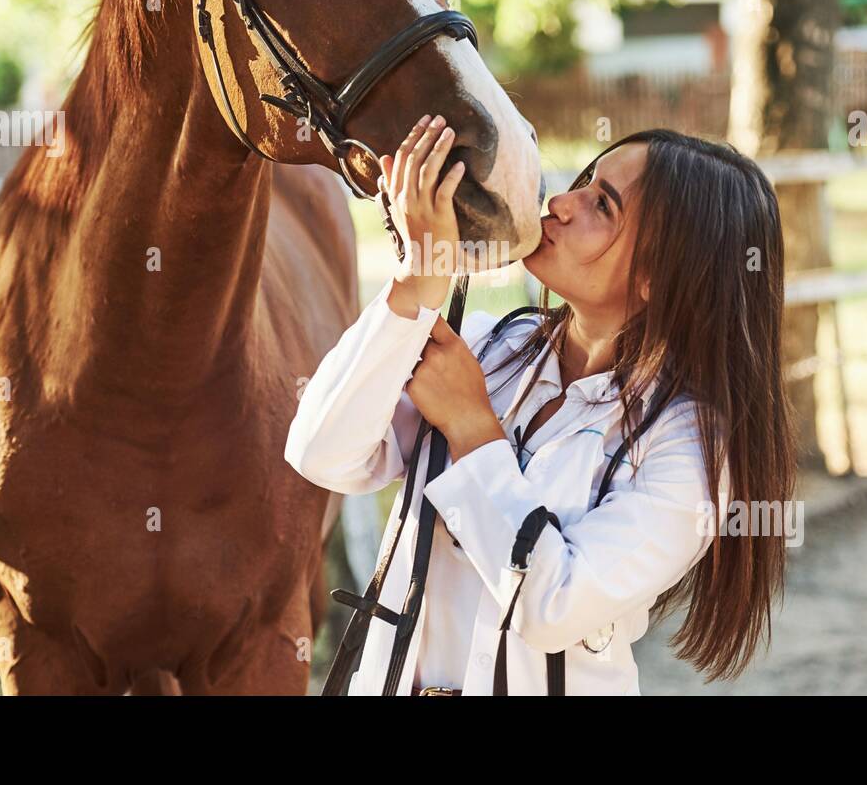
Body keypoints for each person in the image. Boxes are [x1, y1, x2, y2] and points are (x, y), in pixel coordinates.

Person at [285, 114, 797, 695]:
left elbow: (554, 605)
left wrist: (473, 427)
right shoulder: (484, 347)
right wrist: (415, 281)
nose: (560, 203)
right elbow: (322, 453)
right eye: (583, 181)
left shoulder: (691, 447)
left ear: (662, 273)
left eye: (601, 205)